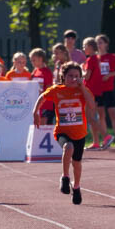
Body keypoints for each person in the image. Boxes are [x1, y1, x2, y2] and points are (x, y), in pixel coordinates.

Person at [32, 63, 96, 206]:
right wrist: (35, 112)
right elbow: (42, 97)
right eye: (70, 76)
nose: (73, 79)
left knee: (77, 163)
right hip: (62, 131)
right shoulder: (57, 90)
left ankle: (77, 186)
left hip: (79, 133)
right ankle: (65, 177)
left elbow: (92, 106)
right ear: (63, 77)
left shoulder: (83, 91)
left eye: (77, 77)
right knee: (68, 147)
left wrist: (82, 87)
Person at [95, 34, 115, 148]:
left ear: (106, 44)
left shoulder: (112, 57)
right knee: (100, 115)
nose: (99, 45)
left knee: (113, 114)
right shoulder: (94, 58)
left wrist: (110, 74)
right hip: (98, 90)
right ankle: (105, 139)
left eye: (101, 42)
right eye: (97, 42)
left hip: (109, 90)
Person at [82, 37, 109, 149]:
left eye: (85, 46)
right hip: (95, 91)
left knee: (89, 116)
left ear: (90, 47)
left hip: (91, 92)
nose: (83, 48)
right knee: (91, 117)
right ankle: (96, 142)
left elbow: (87, 76)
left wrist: (80, 71)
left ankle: (106, 136)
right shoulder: (96, 59)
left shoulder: (91, 60)